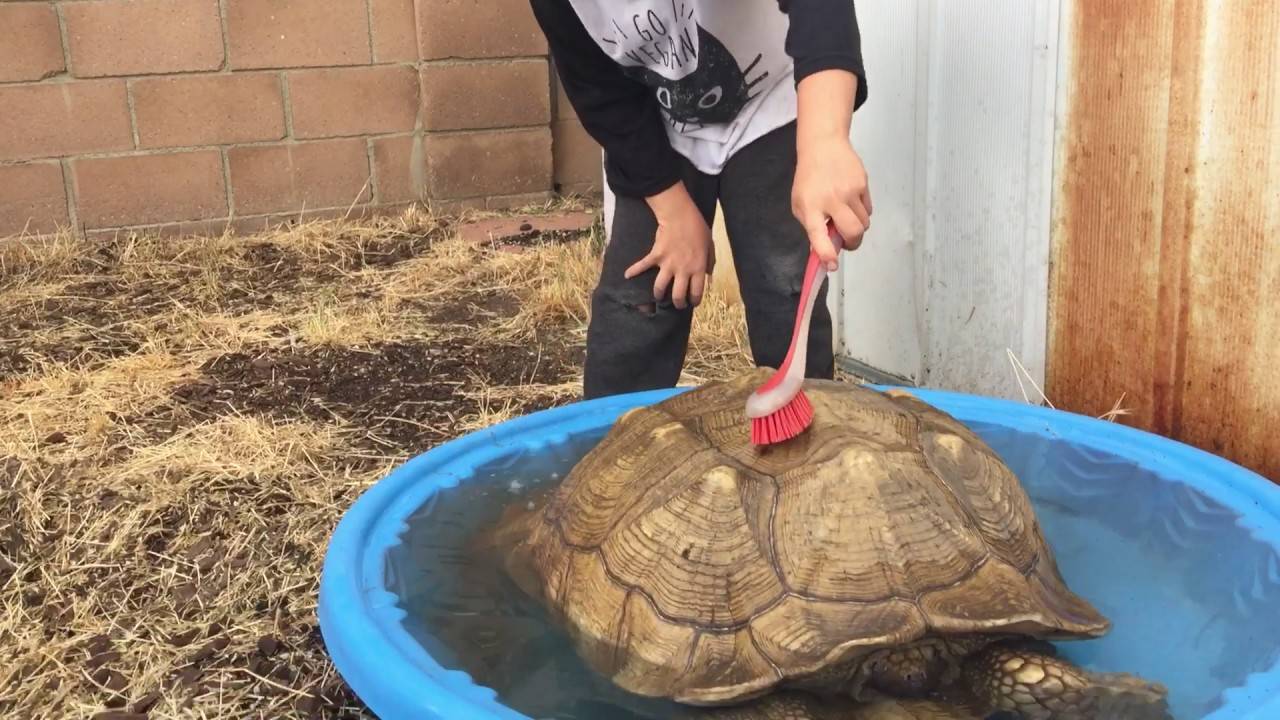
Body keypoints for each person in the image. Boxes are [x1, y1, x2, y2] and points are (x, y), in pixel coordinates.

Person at [529, 0, 872, 399]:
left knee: (785, 286)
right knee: (640, 301)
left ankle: (809, 427)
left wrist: (824, 140)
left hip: (769, 103)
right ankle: (611, 439)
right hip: (657, 125)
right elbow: (599, 91)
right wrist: (673, 213)